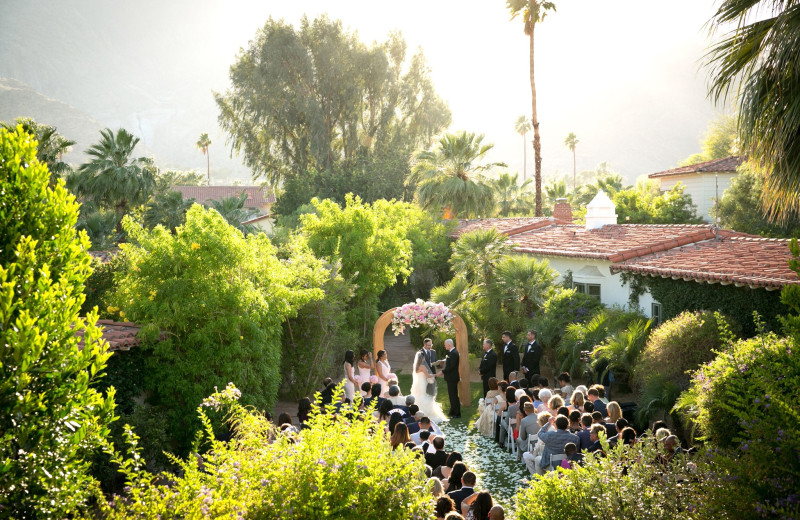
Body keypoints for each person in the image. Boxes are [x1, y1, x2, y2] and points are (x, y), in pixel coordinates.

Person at [411, 339, 447, 422]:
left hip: (426, 378)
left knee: (429, 393)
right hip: (424, 379)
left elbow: (435, 364)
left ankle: (422, 409)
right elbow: (424, 371)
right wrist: (436, 374)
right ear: (424, 345)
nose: (430, 347)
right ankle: (426, 410)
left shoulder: (433, 352)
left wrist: (439, 365)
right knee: (424, 395)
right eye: (428, 345)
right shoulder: (421, 353)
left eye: (431, 345)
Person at [437, 338, 461, 418]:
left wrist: (442, 372)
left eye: (445, 345)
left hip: (453, 377)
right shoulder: (451, 352)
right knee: (451, 395)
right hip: (450, 377)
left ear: (449, 345)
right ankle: (452, 410)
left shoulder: (454, 353)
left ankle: (457, 413)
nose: (444, 346)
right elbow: (449, 364)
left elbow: (451, 367)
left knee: (453, 395)